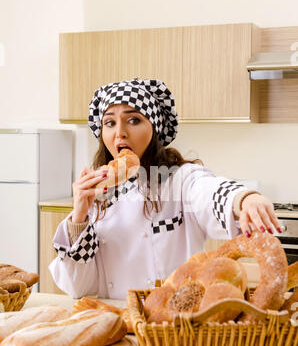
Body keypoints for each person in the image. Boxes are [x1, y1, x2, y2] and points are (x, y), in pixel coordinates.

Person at [49, 78, 282, 300]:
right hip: (120, 321)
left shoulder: (179, 180)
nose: (119, 131)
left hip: (173, 325)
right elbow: (77, 287)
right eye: (110, 122)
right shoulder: (98, 194)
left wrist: (244, 199)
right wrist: (79, 217)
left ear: (155, 130)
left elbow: (208, 191)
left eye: (133, 120)